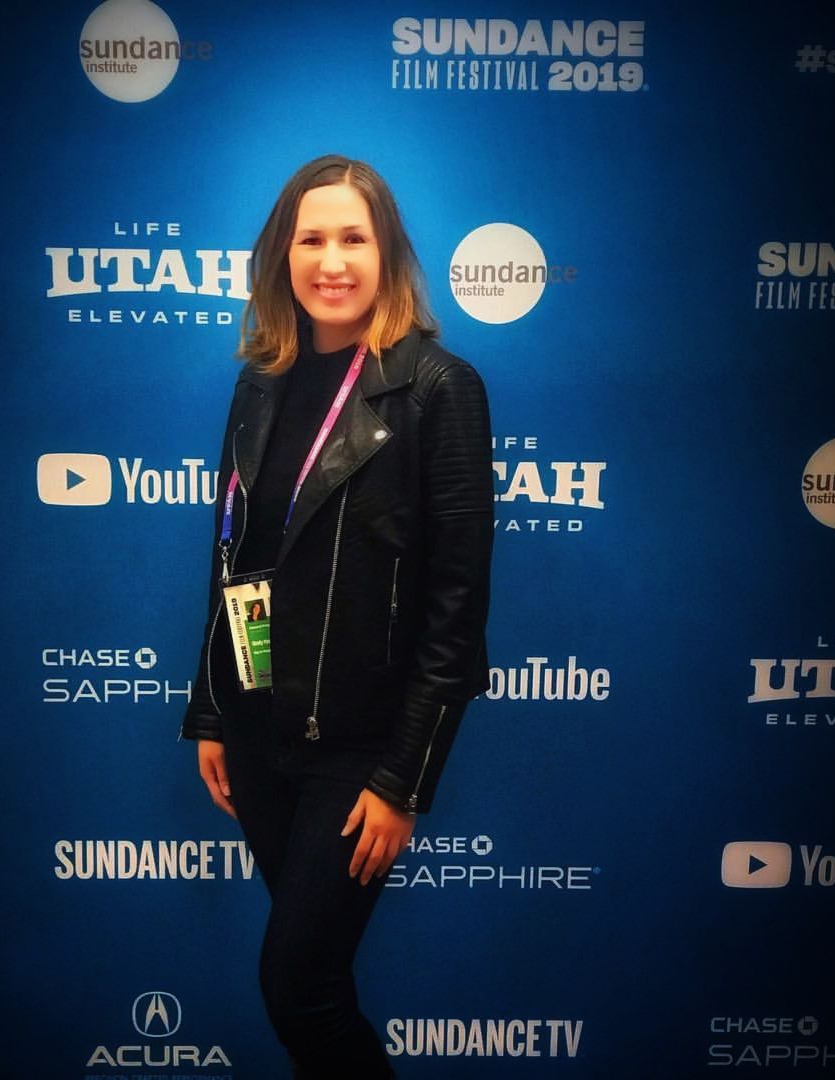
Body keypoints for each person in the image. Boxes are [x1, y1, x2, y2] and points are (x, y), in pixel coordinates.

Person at [180, 154, 493, 1078]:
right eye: (310, 239)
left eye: (353, 238)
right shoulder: (260, 381)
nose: (331, 261)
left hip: (358, 753)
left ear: (386, 253)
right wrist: (211, 710)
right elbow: (231, 557)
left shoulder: (437, 388)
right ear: (282, 255)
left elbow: (457, 610)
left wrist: (403, 781)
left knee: (300, 988)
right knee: (314, 987)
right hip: (257, 737)